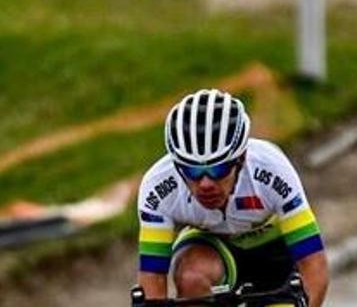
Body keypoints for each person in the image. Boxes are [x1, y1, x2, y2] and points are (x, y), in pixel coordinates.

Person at [136, 89, 329, 306]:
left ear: (241, 158)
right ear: (177, 166)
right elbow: (152, 280)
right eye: (193, 171)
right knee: (192, 277)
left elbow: (314, 265)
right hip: (212, 249)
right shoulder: (158, 187)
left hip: (275, 253)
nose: (206, 184)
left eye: (218, 169)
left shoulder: (272, 169)